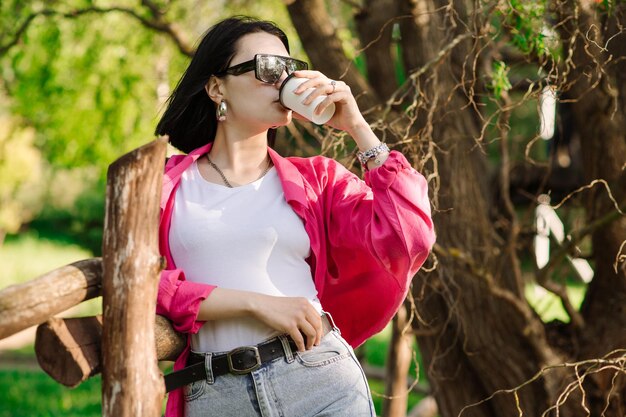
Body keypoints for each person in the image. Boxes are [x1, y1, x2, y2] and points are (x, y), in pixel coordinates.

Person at [155, 15, 435, 417]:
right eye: (268, 69)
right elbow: (143, 285)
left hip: (320, 379)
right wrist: (255, 304)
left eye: (291, 69)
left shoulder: (316, 180)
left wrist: (357, 127)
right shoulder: (164, 185)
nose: (284, 81)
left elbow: (408, 237)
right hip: (216, 393)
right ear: (218, 87)